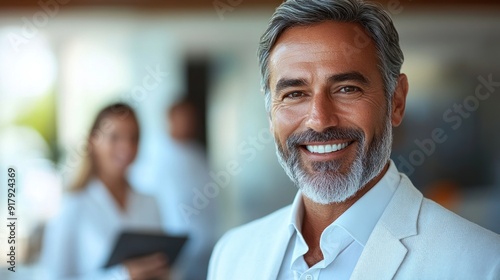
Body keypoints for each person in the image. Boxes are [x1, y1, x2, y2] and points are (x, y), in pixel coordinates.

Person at [208, 0, 500, 279]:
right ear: (270, 114)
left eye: (346, 89)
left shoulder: (482, 263)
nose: (320, 120)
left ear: (396, 101)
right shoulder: (233, 254)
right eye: (294, 94)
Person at [40, 103, 169, 280]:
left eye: (134, 138)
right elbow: (51, 277)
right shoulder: (73, 206)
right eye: (115, 137)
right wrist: (120, 276)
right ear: (93, 141)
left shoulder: (149, 203)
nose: (127, 147)